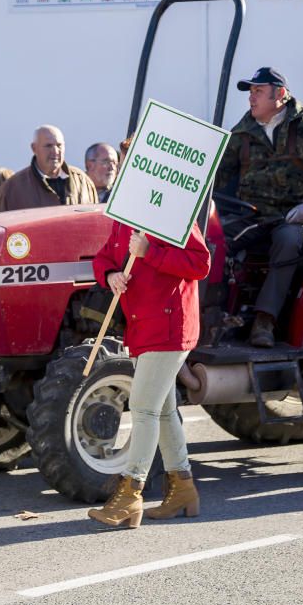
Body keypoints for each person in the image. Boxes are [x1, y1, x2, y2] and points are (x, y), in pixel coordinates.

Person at [88, 222, 211, 528]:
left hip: (169, 327)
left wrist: (150, 252)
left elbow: (200, 263)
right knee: (164, 410)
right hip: (145, 326)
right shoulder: (124, 217)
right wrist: (110, 275)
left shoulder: (177, 213)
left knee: (143, 408)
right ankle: (183, 488)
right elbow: (105, 257)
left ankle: (130, 493)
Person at [214, 67, 303, 347]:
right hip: (252, 215)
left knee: (289, 240)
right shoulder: (243, 130)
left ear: (280, 95)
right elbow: (218, 171)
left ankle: (265, 321)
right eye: (251, 92)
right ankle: (215, 315)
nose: (251, 98)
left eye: (258, 91)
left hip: (293, 216)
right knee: (214, 240)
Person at [0, 125, 97, 212]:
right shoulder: (13, 188)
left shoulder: (82, 182)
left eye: (59, 145)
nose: (55, 151)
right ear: (34, 148)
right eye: (48, 146)